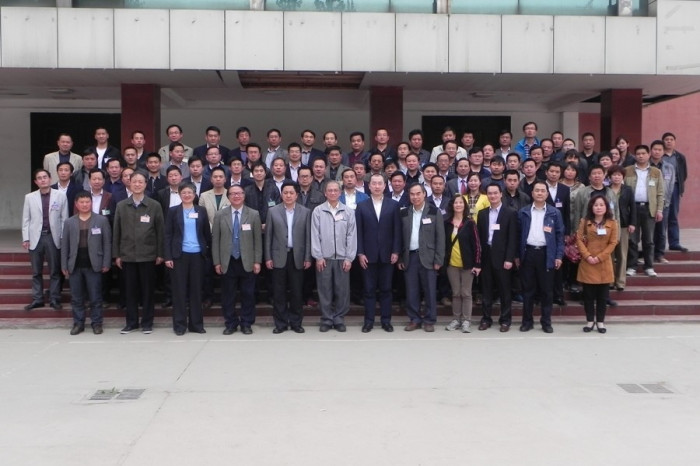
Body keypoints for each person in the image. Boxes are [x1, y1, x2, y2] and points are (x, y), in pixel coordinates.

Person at [113, 171, 164, 334]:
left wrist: (160, 253)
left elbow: (160, 231)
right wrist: (117, 254)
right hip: (127, 255)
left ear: (145, 184)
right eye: (134, 181)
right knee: (130, 292)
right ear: (129, 183)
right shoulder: (122, 206)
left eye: (140, 182)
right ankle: (131, 323)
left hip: (148, 255)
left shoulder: (154, 205)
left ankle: (147, 323)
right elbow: (117, 231)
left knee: (148, 291)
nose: (137, 184)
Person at [212, 185, 263, 335]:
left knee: (248, 294)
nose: (236, 196)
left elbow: (257, 240)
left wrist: (257, 261)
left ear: (244, 196)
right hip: (227, 260)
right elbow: (215, 240)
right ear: (228, 196)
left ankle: (246, 323)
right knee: (228, 295)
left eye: (239, 193)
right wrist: (217, 262)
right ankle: (231, 323)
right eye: (233, 194)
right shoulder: (220, 215)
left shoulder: (253, 214)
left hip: (247, 260)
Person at [60, 191, 112, 335]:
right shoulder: (69, 222)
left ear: (91, 203)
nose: (84, 205)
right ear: (76, 204)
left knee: (95, 297)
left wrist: (106, 262)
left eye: (87, 202)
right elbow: (65, 245)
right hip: (75, 264)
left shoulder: (101, 220)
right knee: (77, 298)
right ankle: (78, 323)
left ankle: (97, 323)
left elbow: (107, 243)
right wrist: (64, 265)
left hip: (94, 264)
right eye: (81, 202)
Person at [356, 174, 402, 333]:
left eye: (379, 183)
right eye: (374, 183)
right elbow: (358, 232)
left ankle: (386, 321)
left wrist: (396, 251)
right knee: (368, 290)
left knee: (386, 289)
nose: (376, 186)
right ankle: (368, 321)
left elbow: (397, 230)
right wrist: (360, 253)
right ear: (369, 186)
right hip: (367, 255)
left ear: (385, 186)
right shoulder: (361, 206)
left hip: (387, 255)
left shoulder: (393, 205)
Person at [517, 180, 565, 333]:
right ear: (532, 193)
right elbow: (518, 235)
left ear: (547, 194)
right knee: (528, 291)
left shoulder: (554, 213)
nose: (539, 193)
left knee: (546, 291)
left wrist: (558, 256)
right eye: (536, 190)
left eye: (542, 191)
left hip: (546, 254)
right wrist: (517, 255)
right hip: (528, 253)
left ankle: (546, 322)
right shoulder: (524, 212)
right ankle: (527, 321)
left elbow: (560, 236)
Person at [264, 181, 312, 334]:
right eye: (285, 193)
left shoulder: (305, 212)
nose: (288, 196)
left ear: (297, 195)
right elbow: (268, 237)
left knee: (297, 293)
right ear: (281, 195)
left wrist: (307, 257)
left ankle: (296, 322)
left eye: (291, 193)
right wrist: (268, 257)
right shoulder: (273, 211)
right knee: (279, 293)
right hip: (278, 256)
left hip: (297, 257)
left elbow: (308, 237)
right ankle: (281, 323)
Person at [164, 182, 211, 336]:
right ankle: (179, 325)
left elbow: (206, 233)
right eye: (183, 192)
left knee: (196, 291)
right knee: (179, 292)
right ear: (179, 194)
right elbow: (168, 235)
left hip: (197, 255)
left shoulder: (201, 211)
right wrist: (168, 256)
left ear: (195, 194)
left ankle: (196, 325)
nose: (187, 195)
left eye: (190, 192)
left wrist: (207, 253)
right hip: (179, 256)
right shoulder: (173, 211)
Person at [311, 181, 357, 332]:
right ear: (325, 193)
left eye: (335, 190)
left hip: (342, 258)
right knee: (324, 290)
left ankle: (338, 318)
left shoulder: (348, 212)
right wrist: (318, 256)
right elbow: (315, 235)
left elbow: (351, 236)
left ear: (340, 193)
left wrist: (349, 258)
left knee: (342, 290)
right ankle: (326, 319)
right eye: (329, 190)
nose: (332, 193)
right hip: (324, 258)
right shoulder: (318, 211)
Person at [399, 183, 445, 332]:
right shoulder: (404, 213)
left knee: (430, 290)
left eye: (418, 193)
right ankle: (414, 319)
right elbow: (400, 237)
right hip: (410, 257)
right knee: (411, 291)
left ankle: (429, 320)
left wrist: (439, 259)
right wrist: (401, 258)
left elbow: (440, 237)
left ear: (424, 194)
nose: (415, 197)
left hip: (429, 258)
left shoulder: (434, 211)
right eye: (412, 194)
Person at [22, 169, 69, 311]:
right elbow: (26, 219)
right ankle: (37, 299)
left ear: (50, 179)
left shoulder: (60, 196)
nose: (42, 180)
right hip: (35, 238)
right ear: (36, 182)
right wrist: (26, 238)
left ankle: (54, 299)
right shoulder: (29, 197)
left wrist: (63, 237)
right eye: (39, 178)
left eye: (45, 177)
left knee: (55, 271)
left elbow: (64, 218)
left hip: (53, 237)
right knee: (36, 271)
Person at [477, 183, 518, 332]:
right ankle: (486, 319)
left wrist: (509, 259)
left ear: (501, 194)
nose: (493, 196)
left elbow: (513, 238)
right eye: (490, 193)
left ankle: (505, 320)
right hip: (486, 256)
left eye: (495, 193)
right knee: (486, 290)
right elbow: (479, 238)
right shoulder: (482, 214)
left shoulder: (510, 213)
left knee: (504, 291)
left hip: (502, 257)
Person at [576, 196, 619, 334]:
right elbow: (579, 239)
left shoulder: (613, 223)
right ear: (591, 207)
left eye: (601, 205)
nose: (598, 207)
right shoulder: (584, 222)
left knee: (602, 297)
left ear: (606, 207)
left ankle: (600, 322)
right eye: (596, 205)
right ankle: (589, 321)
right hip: (588, 262)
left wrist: (599, 257)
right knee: (588, 296)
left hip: (604, 263)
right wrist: (588, 256)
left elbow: (613, 242)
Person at [625, 145, 664, 278]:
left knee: (648, 240)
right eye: (638, 154)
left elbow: (660, 193)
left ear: (648, 155)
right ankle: (632, 266)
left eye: (643, 153)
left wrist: (659, 210)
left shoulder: (656, 172)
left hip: (649, 208)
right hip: (632, 209)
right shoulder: (628, 170)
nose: (641, 156)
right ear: (635, 155)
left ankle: (649, 266)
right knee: (632, 239)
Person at [444, 194, 481, 333]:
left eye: (461, 202)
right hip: (451, 264)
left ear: (464, 206)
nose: (458, 205)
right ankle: (456, 319)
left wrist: (477, 264)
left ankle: (466, 320)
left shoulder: (470, 223)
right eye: (456, 203)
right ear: (452, 205)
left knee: (466, 293)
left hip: (467, 264)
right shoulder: (447, 223)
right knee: (456, 293)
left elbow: (477, 245)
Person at [608, 165, 636, 291]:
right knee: (609, 254)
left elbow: (632, 207)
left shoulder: (628, 190)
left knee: (622, 254)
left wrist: (632, 223)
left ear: (623, 177)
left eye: (619, 175)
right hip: (609, 225)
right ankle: (610, 281)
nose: (616, 177)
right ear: (610, 177)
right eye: (614, 175)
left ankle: (620, 282)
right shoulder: (606, 190)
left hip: (624, 224)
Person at [661, 132, 689, 253]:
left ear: (674, 142)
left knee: (673, 215)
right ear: (663, 141)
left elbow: (684, 174)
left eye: (671, 139)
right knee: (661, 216)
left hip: (675, 188)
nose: (669, 141)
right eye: (666, 139)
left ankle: (674, 243)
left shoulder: (680, 157)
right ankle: (659, 244)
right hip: (661, 188)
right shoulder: (659, 155)